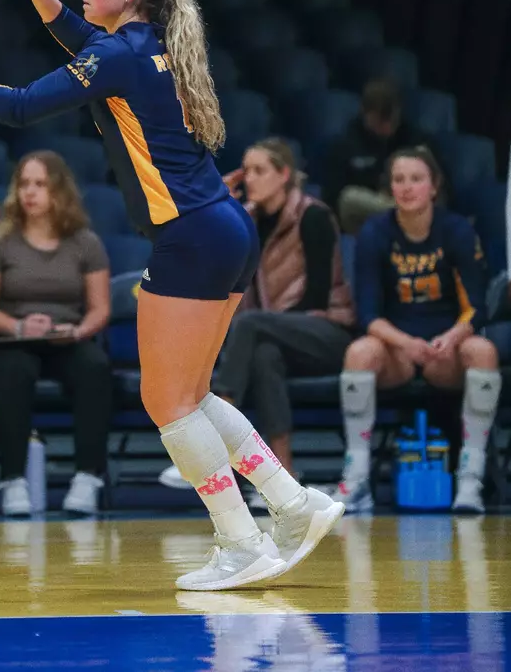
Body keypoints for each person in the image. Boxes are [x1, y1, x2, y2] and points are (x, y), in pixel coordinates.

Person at [0, 0, 344, 591]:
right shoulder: (143, 43)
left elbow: (18, 108)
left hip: (189, 236)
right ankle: (297, 506)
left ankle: (241, 542)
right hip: (222, 228)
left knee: (168, 402)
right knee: (191, 394)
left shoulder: (120, 55)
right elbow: (84, 43)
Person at [159, 138, 355, 495]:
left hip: (326, 330)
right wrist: (220, 208)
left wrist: (266, 325)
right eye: (245, 170)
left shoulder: (313, 216)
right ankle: (284, 482)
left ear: (284, 175)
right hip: (272, 337)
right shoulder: (245, 220)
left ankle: (208, 441)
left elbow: (317, 296)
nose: (250, 178)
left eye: (259, 170)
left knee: (251, 326)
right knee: (264, 356)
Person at [334, 146, 500, 514]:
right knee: (359, 351)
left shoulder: (456, 230)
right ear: (389, 188)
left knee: (483, 351)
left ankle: (470, 477)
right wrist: (407, 343)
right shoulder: (374, 233)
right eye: (398, 179)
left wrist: (452, 338)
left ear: (434, 186)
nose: (407, 187)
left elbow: (477, 308)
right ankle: (357, 475)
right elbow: (368, 315)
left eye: (416, 179)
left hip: (447, 347)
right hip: (398, 348)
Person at [0, 150, 112, 516]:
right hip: (12, 338)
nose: (30, 193)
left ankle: (87, 477)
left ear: (59, 191)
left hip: (66, 337)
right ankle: (13, 480)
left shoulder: (86, 242)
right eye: (24, 184)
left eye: (39, 184)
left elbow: (100, 308)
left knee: (95, 367)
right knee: (14, 371)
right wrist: (18, 326)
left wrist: (79, 330)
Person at [323, 79, 437, 235]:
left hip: (406, 204)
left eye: (392, 120)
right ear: (365, 113)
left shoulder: (414, 139)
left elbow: (438, 183)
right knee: (350, 198)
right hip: (368, 217)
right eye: (380, 121)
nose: (387, 128)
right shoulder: (346, 144)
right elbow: (334, 198)